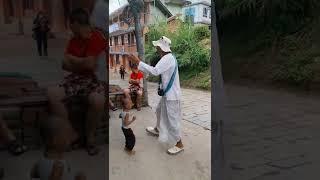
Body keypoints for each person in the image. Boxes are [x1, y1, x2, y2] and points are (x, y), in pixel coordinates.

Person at [47, 8, 107, 156]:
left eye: (70, 24)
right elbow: (64, 64)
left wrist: (73, 60)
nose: (69, 28)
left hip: (93, 81)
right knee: (52, 94)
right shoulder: (73, 39)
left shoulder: (96, 37)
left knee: (98, 100)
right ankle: (72, 133)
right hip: (76, 79)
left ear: (75, 23)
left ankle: (90, 138)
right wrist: (80, 62)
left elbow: (90, 65)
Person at [127, 36, 184, 155]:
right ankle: (158, 129)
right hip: (168, 94)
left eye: (157, 46)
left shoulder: (167, 58)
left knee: (172, 120)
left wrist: (138, 62)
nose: (156, 48)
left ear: (161, 47)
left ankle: (179, 143)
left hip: (172, 96)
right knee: (158, 110)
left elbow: (155, 71)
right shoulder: (167, 57)